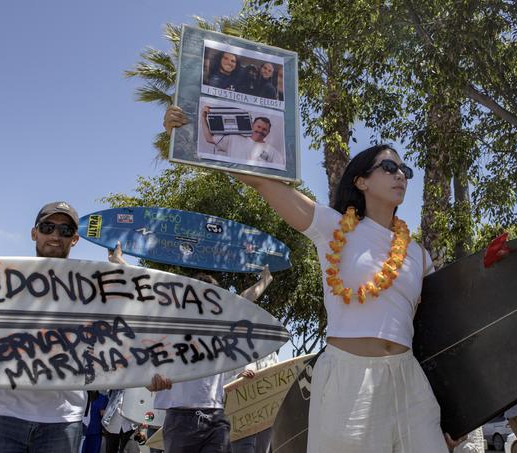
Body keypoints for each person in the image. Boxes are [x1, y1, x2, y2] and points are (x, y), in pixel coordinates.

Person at [166, 104, 459, 453]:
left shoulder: (419, 255)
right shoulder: (332, 228)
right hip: (346, 382)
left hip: (411, 383)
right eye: (389, 167)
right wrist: (189, 134)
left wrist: (455, 416)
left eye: (405, 169)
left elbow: (441, 333)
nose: (401, 175)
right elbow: (262, 180)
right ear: (361, 180)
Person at [0, 201, 86, 452]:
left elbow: (129, 334)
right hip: (2, 415)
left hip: (62, 420)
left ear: (75, 239)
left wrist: (155, 370)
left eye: (65, 230)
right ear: (34, 233)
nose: (56, 236)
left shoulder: (92, 287)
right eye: (48, 227)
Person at [141, 264, 274, 453]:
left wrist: (265, 281)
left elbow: (244, 300)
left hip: (215, 418)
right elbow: (146, 377)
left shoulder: (220, 326)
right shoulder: (168, 330)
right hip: (180, 420)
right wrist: (151, 383)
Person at [198, 105, 285, 168]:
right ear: (252, 125)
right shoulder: (234, 138)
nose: (260, 131)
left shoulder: (273, 152)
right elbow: (209, 138)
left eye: (264, 129)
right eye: (258, 127)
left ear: (268, 132)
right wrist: (203, 118)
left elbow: (282, 175)